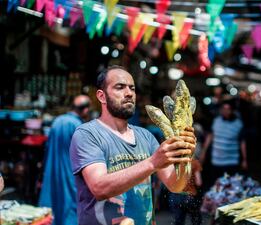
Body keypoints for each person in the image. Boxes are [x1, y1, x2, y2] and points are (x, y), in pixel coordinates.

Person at [69, 65, 196, 225]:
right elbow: (100, 188)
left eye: (132, 88)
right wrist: (152, 162)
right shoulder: (87, 134)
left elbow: (175, 185)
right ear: (102, 96)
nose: (129, 93)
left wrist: (185, 158)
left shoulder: (146, 137)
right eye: (120, 87)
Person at [38, 95, 91, 225]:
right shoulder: (79, 126)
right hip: (71, 174)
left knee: (54, 203)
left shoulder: (57, 121)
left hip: (53, 171)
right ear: (85, 110)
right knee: (70, 206)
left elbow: (47, 148)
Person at [200, 100, 247, 189]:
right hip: (217, 160)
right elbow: (210, 136)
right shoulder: (216, 121)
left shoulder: (238, 124)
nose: (225, 111)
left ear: (232, 110)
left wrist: (244, 159)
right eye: (223, 109)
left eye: (228, 109)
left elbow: (242, 142)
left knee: (230, 186)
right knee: (216, 185)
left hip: (232, 161)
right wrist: (203, 152)